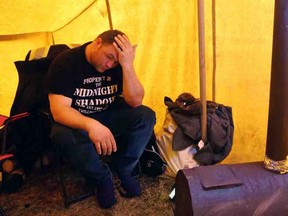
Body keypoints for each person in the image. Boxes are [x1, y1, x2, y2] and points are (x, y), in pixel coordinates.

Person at [46, 29, 156, 209]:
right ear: (97, 43)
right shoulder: (65, 62)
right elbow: (59, 110)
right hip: (75, 117)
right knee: (62, 134)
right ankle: (100, 178)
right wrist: (92, 125)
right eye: (109, 56)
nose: (110, 64)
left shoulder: (119, 64)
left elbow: (135, 101)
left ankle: (124, 169)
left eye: (116, 61)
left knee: (146, 116)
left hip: (107, 113)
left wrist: (127, 65)